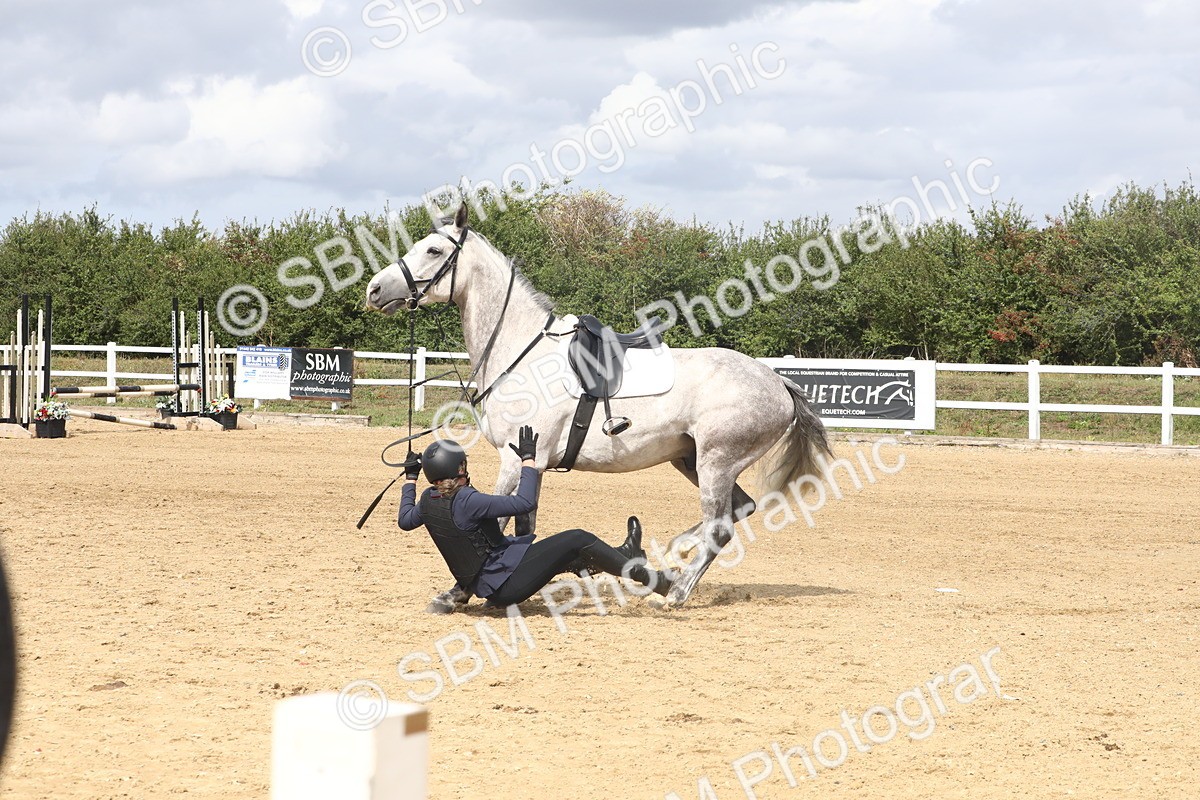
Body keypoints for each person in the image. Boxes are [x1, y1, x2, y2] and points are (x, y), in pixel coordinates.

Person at [398, 425, 672, 612]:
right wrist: (529, 460)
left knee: (569, 554)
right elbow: (524, 502)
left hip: (488, 581)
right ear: (459, 468)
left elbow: (405, 520)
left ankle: (626, 554)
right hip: (506, 584)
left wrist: (410, 480)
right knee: (578, 537)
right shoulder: (468, 500)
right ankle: (654, 580)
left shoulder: (428, 499)